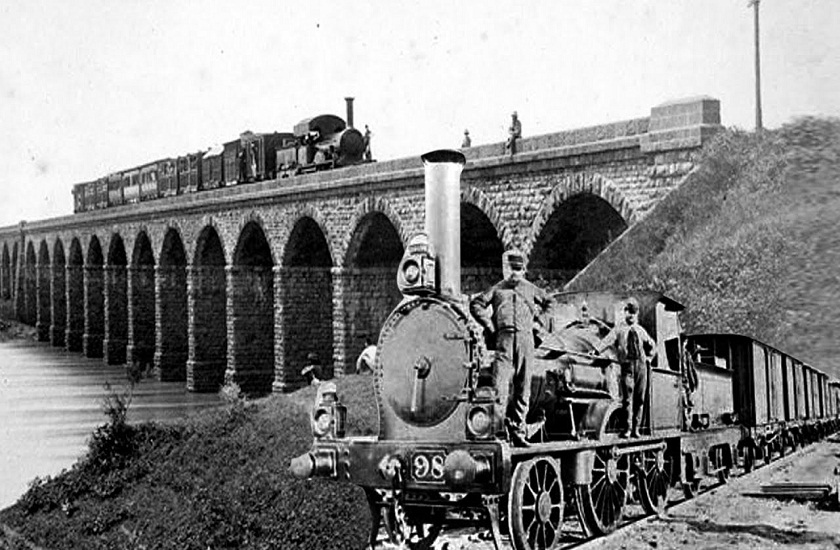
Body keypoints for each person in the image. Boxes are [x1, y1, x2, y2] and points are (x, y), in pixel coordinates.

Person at [470, 250, 551, 447]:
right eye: (511, 269)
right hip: (503, 341)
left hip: (526, 341)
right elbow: (476, 304)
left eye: (518, 269)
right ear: (504, 269)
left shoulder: (531, 289)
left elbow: (550, 303)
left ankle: (518, 430)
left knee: (524, 387)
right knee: (500, 387)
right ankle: (498, 431)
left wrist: (539, 323)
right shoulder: (497, 289)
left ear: (523, 270)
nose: (514, 273)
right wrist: (490, 326)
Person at [593, 298, 655, 438]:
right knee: (627, 399)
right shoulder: (619, 329)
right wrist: (596, 350)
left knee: (639, 399)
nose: (631, 315)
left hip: (641, 367)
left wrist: (649, 359)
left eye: (633, 312)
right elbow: (607, 340)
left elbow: (652, 345)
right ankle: (628, 428)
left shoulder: (641, 331)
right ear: (625, 313)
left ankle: (636, 429)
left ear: (637, 314)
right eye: (628, 312)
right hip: (627, 366)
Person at [681, 335, 700, 429]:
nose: (684, 343)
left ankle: (689, 421)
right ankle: (686, 424)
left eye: (685, 342)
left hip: (687, 381)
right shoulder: (679, 353)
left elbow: (692, 369)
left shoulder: (687, 354)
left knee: (690, 403)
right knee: (684, 403)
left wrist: (695, 381)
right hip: (681, 381)